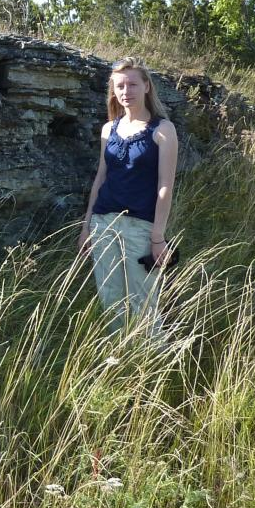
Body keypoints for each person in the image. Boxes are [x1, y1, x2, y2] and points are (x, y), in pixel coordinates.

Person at [77, 57, 179, 336]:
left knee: (144, 302)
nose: (126, 91)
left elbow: (165, 186)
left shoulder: (163, 130)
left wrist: (157, 237)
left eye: (132, 84)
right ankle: (120, 365)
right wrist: (87, 226)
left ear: (146, 86)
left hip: (141, 227)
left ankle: (151, 364)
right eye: (120, 86)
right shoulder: (109, 129)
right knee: (110, 297)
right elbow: (101, 178)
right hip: (103, 223)